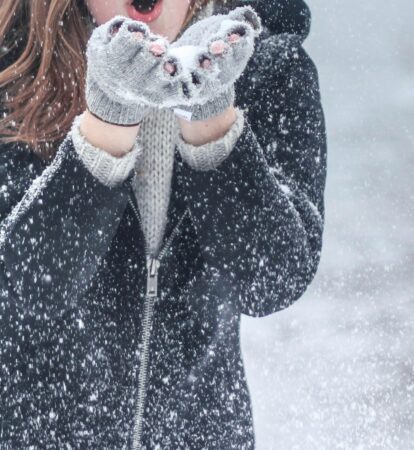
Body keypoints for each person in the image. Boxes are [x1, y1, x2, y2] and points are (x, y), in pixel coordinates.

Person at [0, 0, 326, 447]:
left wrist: (211, 116)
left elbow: (273, 280)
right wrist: (107, 122)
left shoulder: (269, 68)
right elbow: (19, 292)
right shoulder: (14, 66)